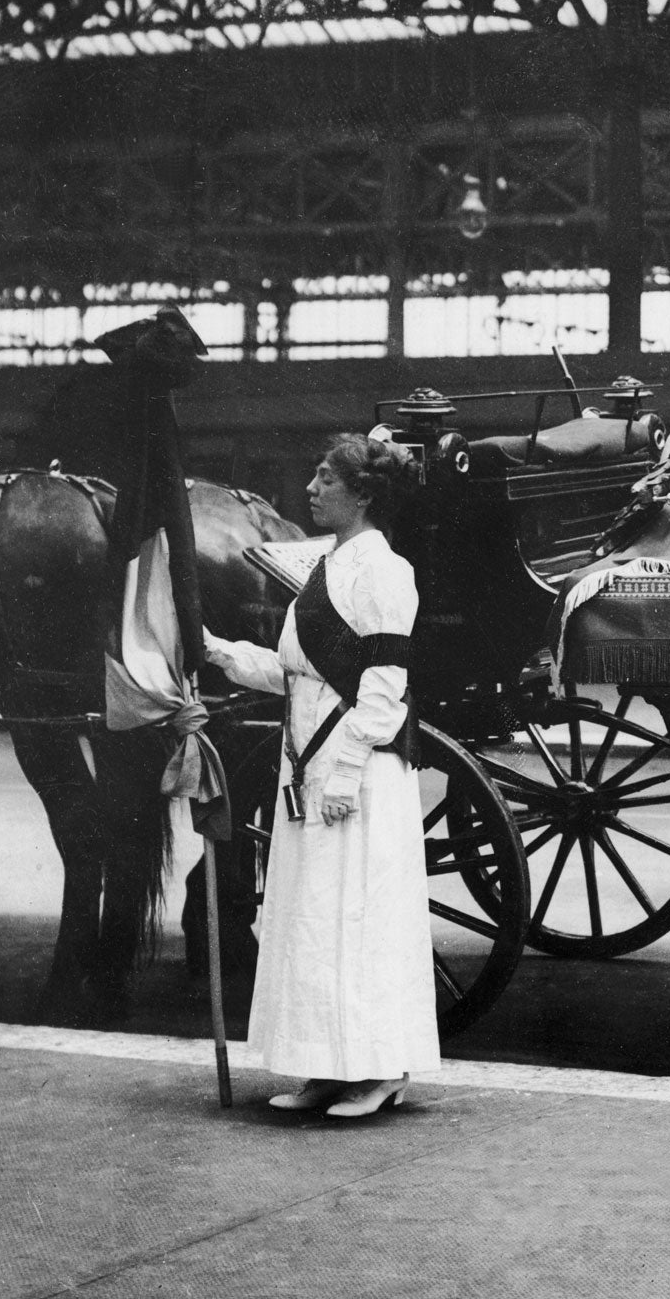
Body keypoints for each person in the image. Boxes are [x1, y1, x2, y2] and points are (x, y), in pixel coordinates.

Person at [204, 434, 441, 1116]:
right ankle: (328, 1066)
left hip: (354, 768)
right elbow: (289, 671)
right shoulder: (322, 567)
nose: (310, 488)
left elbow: (385, 679)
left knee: (360, 915)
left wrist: (346, 770)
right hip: (306, 759)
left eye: (325, 477)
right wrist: (218, 652)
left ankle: (380, 1069)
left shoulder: (384, 569)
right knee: (314, 918)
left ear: (363, 494)